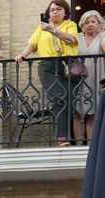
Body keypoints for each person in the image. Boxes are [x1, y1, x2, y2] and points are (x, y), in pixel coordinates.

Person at [15, 0, 80, 147]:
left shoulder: (70, 25)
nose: (55, 12)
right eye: (52, 10)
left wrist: (53, 30)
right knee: (58, 98)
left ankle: (70, 137)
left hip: (69, 66)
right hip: (48, 67)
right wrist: (23, 54)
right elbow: (32, 44)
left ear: (65, 12)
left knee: (69, 100)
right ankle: (61, 138)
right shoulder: (42, 28)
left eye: (58, 9)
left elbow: (71, 39)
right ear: (48, 13)